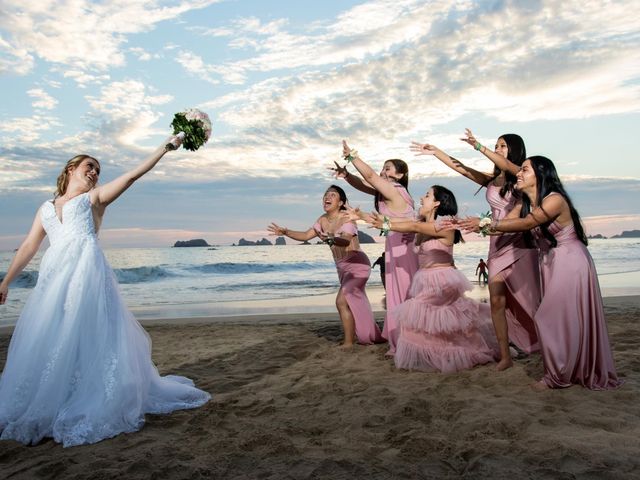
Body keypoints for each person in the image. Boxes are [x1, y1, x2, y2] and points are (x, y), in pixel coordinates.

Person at [0, 136, 210, 447]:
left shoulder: (94, 199)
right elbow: (30, 246)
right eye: (90, 166)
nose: (95, 172)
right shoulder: (46, 208)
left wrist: (166, 148)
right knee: (53, 334)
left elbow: (132, 176)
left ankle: (87, 397)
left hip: (88, 276)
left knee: (89, 334)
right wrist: (5, 282)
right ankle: (53, 398)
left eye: (98, 169)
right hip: (55, 280)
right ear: (71, 168)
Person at [484, 156, 623, 390]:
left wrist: (486, 225)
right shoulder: (529, 203)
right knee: (566, 319)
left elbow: (528, 223)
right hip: (550, 262)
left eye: (524, 170)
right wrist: (481, 225)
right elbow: (515, 222)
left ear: (540, 174)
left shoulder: (554, 200)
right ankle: (567, 370)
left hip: (570, 261)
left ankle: (556, 377)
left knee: (548, 317)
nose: (519, 173)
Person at [410, 131, 540, 370]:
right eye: (496, 145)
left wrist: (479, 146)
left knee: (531, 302)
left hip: (519, 243)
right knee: (497, 301)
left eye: (502, 146)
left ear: (514, 150)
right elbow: (463, 169)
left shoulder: (521, 178)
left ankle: (549, 342)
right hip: (495, 243)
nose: (498, 149)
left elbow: (513, 215)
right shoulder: (491, 182)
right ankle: (505, 356)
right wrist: (437, 152)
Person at [367, 186, 498, 372]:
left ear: (437, 203)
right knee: (437, 324)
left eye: (427, 195)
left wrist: (386, 224)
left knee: (415, 314)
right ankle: (447, 353)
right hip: (426, 279)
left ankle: (448, 355)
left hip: (442, 280)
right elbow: (408, 222)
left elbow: (412, 226)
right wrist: (367, 217)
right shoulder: (423, 224)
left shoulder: (445, 225)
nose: (422, 198)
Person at [267, 185, 382, 347]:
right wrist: (286, 232)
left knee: (341, 301)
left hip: (357, 265)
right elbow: (306, 235)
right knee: (350, 301)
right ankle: (364, 333)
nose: (327, 197)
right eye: (325, 195)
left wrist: (331, 239)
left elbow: (346, 240)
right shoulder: (322, 219)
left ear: (341, 202)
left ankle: (348, 342)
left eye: (332, 195)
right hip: (342, 267)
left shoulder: (346, 217)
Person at [332, 141, 418, 354]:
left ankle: (414, 335)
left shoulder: (396, 190)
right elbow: (364, 184)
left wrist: (352, 157)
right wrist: (346, 175)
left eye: (387, 168)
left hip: (404, 249)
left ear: (400, 175)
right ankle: (403, 334)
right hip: (394, 246)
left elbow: (370, 177)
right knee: (396, 292)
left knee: (406, 291)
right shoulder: (385, 192)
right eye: (382, 167)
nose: (382, 171)